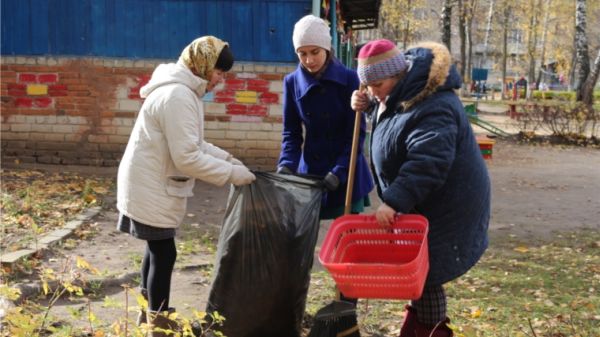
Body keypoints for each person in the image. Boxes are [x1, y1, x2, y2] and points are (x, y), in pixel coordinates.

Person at [116, 36, 255, 335]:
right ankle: (159, 322)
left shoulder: (184, 90)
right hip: (150, 184)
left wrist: (228, 158)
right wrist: (231, 173)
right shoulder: (178, 96)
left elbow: (194, 143)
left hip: (149, 180)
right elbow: (187, 157)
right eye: (219, 72)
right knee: (165, 253)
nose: (220, 80)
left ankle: (148, 311)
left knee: (157, 250)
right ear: (203, 65)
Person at [351, 39, 490, 337]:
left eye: (378, 84)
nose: (374, 92)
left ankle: (428, 330)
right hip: (425, 202)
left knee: (429, 269)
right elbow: (393, 126)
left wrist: (394, 201)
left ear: (399, 74)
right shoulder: (400, 93)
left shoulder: (434, 105)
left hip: (447, 204)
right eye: (368, 86)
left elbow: (428, 162)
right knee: (421, 268)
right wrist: (366, 107)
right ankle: (419, 322)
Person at [276, 14, 374, 335]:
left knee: (350, 251)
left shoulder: (349, 80)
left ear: (327, 50)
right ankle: (293, 312)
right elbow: (291, 133)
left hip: (346, 175)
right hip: (311, 177)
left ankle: (346, 319)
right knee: (298, 244)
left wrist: (339, 171)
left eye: (314, 52)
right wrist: (286, 168)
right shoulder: (292, 82)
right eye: (302, 53)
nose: (308, 60)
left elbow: (355, 136)